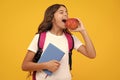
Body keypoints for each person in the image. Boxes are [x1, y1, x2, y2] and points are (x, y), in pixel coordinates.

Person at [22, 4, 96, 80]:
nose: (65, 14)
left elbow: (92, 55)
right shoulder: (40, 37)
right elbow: (25, 66)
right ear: (52, 18)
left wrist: (83, 31)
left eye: (67, 13)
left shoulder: (70, 39)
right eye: (61, 12)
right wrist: (46, 65)